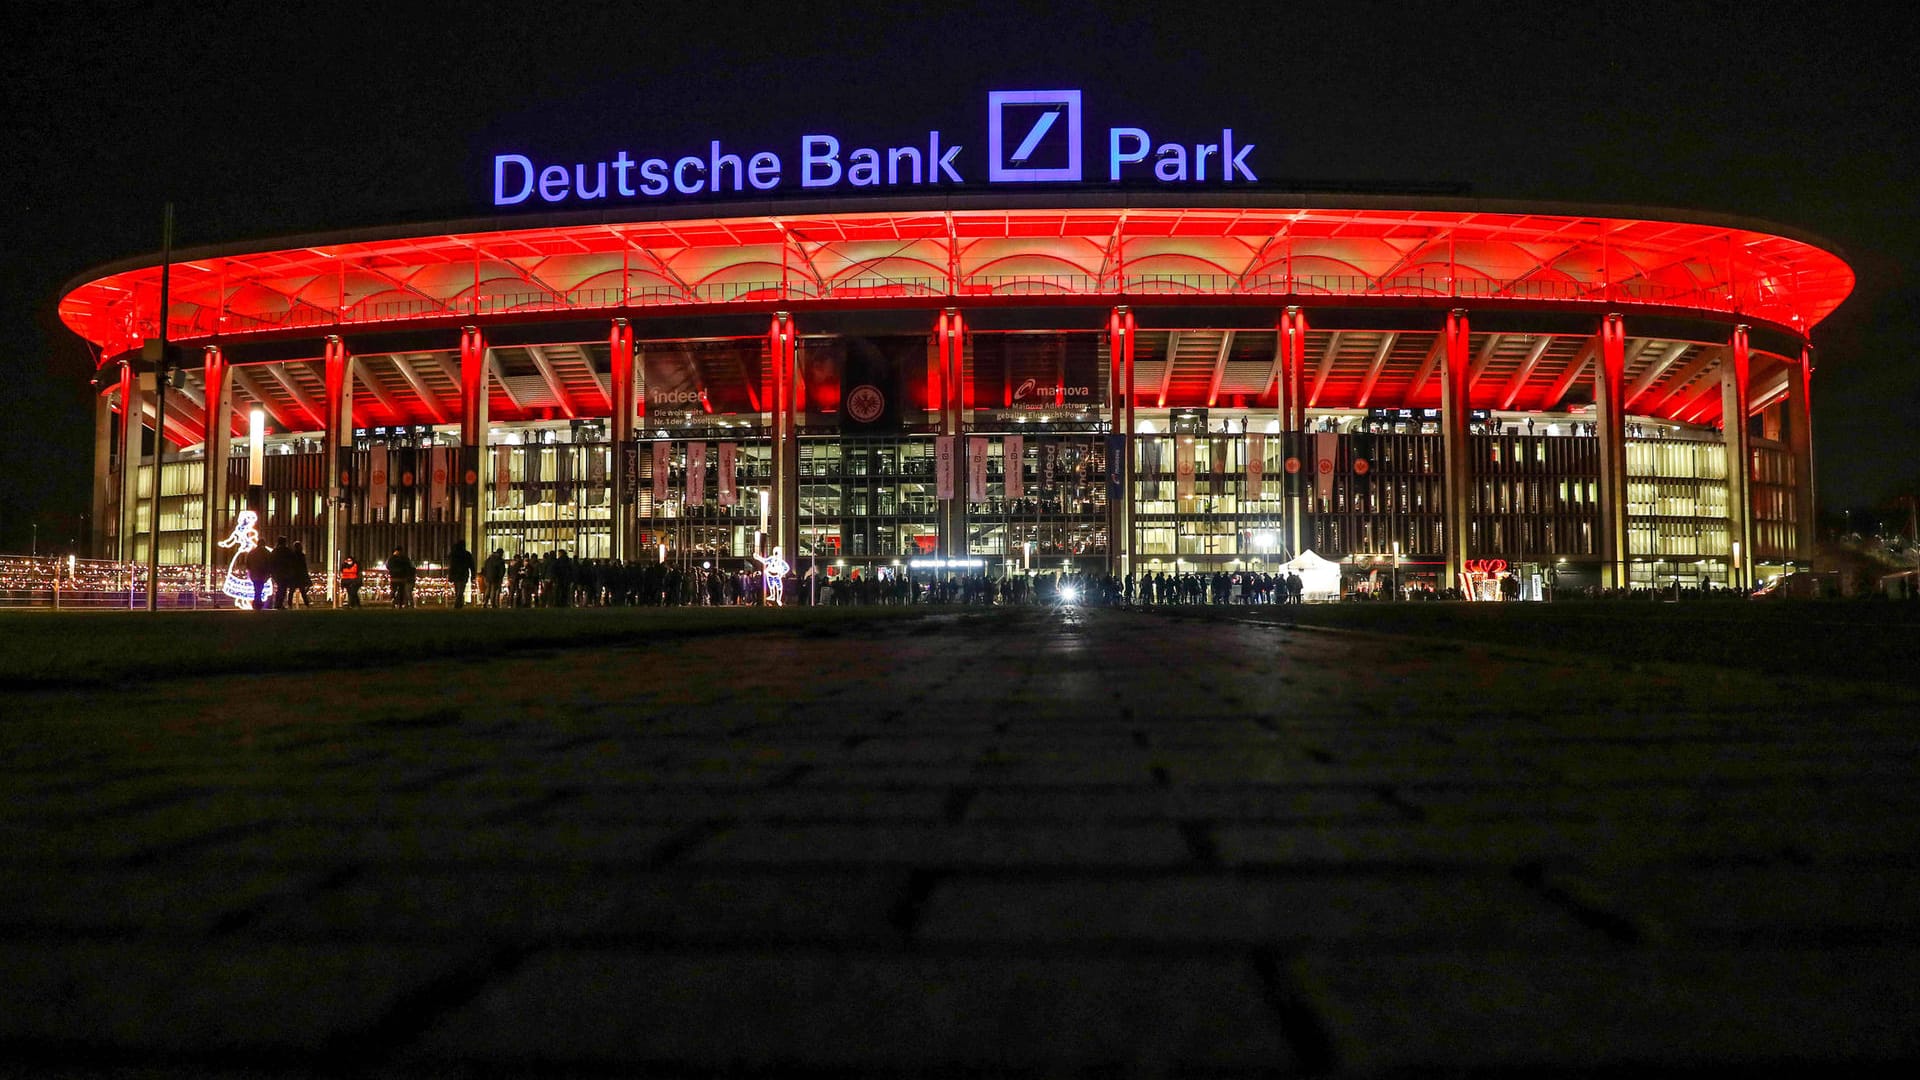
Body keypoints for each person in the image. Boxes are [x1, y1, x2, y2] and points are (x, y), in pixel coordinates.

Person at [448, 540, 475, 609]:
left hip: (456, 574)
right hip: (463, 574)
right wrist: (473, 575)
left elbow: (451, 566)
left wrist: (450, 576)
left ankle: (458, 604)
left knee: (458, 590)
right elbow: (472, 565)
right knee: (461, 590)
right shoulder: (467, 554)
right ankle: (458, 604)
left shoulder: (454, 554)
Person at [288, 541, 313, 608]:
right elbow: (304, 567)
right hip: (300, 576)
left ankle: (290, 604)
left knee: (292, 590)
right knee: (302, 591)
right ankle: (307, 603)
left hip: (294, 576)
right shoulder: (301, 555)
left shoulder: (292, 555)